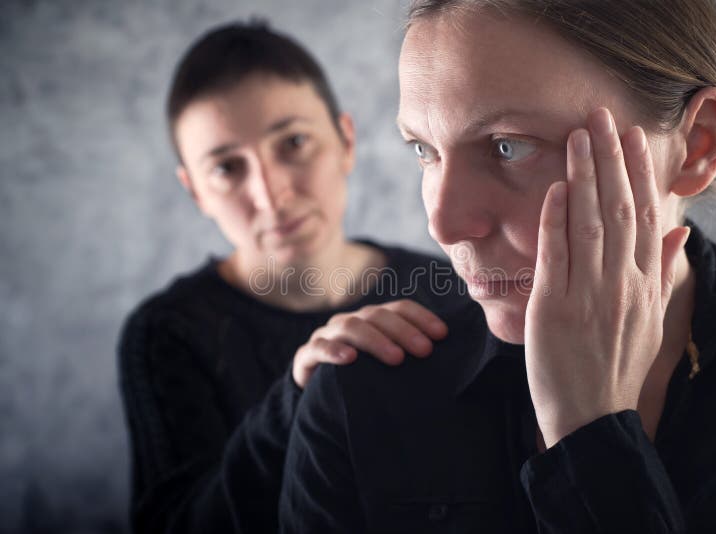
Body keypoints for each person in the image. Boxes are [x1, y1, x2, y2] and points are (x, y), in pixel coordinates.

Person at [279, 1, 716, 532]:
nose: (444, 224)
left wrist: (590, 436)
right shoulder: (362, 398)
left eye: (508, 147)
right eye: (424, 149)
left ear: (697, 145)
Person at [117, 20, 468, 534]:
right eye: (227, 169)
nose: (271, 193)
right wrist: (298, 400)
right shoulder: (165, 334)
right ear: (196, 193)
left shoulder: (449, 289)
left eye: (294, 142)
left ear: (345, 141)